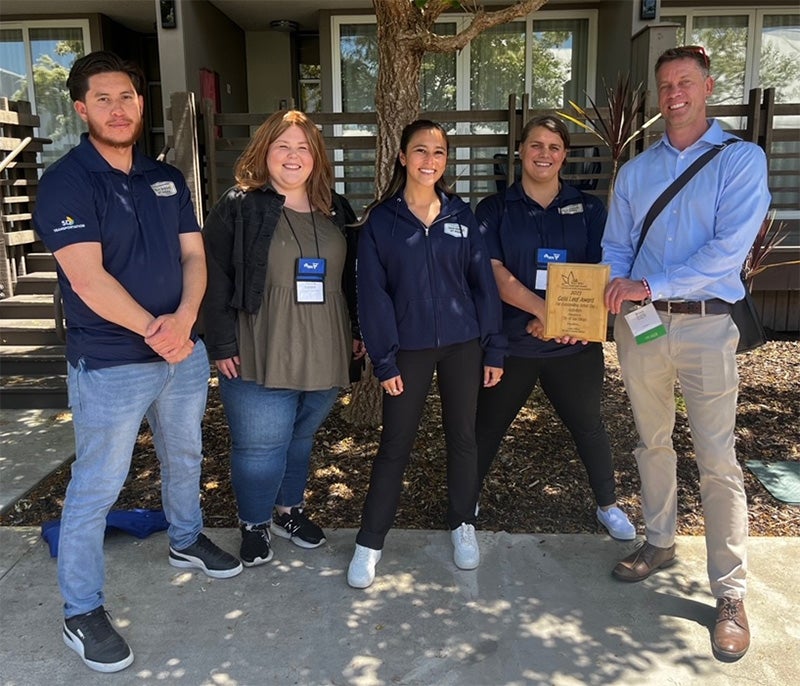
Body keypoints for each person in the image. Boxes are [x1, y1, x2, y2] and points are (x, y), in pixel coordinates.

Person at [32, 51, 242, 674]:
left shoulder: (167, 177)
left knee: (186, 455)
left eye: (126, 96)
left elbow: (195, 259)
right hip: (111, 361)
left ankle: (184, 541)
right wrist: (158, 331)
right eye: (103, 99)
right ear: (80, 109)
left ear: (140, 102)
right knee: (97, 485)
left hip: (181, 352)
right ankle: (81, 610)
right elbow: (87, 279)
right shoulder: (66, 182)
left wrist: (182, 326)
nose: (117, 109)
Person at [602, 45, 771, 661]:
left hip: (706, 328)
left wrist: (650, 284)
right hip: (641, 327)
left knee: (717, 459)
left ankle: (730, 592)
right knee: (650, 441)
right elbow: (617, 246)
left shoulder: (739, 161)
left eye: (685, 83)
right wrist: (619, 292)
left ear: (707, 88)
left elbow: (727, 254)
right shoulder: (637, 170)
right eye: (665, 84)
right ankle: (660, 541)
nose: (673, 93)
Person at [347, 119, 506, 589]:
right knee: (395, 445)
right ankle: (370, 542)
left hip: (462, 346)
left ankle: (462, 524)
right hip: (408, 350)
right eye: (420, 151)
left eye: (438, 153)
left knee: (463, 438)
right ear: (402, 157)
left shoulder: (463, 217)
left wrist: (494, 347)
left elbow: (484, 288)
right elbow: (371, 295)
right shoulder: (381, 221)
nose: (429, 161)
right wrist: (385, 359)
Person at [202, 110, 364, 567]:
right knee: (259, 445)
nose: (293, 156)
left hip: (325, 343)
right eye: (282, 146)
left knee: (300, 436)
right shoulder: (238, 204)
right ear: (264, 152)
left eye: (303, 147)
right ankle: (254, 523)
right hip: (260, 341)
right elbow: (211, 276)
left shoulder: (336, 207)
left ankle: (287, 511)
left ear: (316, 157)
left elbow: (353, 277)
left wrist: (357, 332)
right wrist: (221, 343)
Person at [474, 114, 635, 541]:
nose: (544, 154)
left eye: (553, 147)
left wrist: (567, 322)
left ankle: (607, 504)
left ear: (564, 155)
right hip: (513, 343)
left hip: (574, 345)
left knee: (589, 425)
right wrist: (546, 312)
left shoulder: (589, 208)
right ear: (521, 151)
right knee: (487, 427)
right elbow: (494, 273)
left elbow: (603, 270)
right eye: (535, 145)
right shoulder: (494, 209)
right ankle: (466, 501)